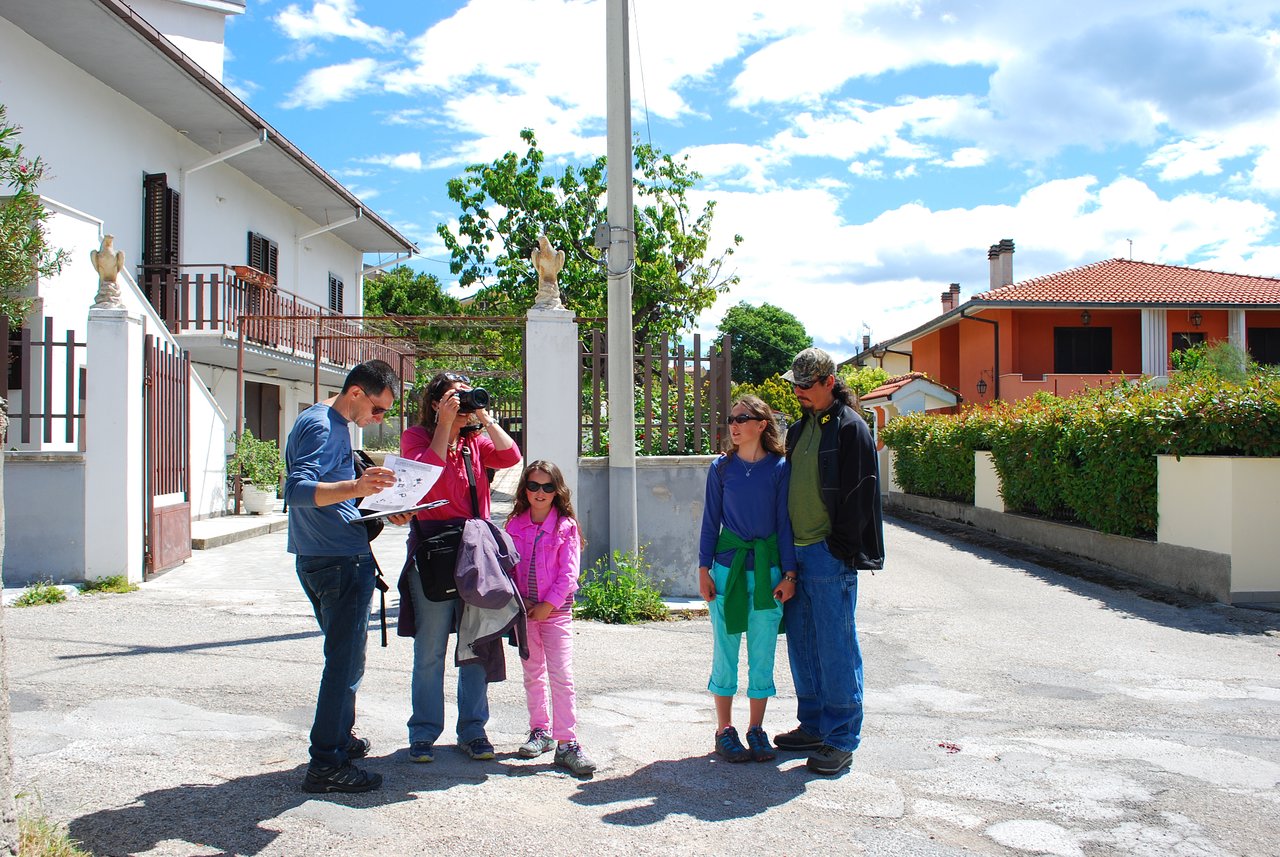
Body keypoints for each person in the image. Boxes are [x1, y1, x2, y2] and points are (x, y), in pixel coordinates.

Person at [284, 359, 412, 794]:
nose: (378, 420)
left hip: (324, 554)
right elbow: (297, 492)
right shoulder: (325, 426)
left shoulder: (322, 420)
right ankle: (326, 764)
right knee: (342, 665)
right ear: (356, 392)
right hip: (338, 559)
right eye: (378, 409)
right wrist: (358, 489)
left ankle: (338, 740)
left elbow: (330, 493)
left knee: (346, 659)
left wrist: (378, 505)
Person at [397, 371, 521, 764]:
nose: (462, 403)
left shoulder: (476, 441)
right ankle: (424, 732)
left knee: (475, 645)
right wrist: (446, 426)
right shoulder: (416, 437)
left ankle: (473, 730)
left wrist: (483, 416)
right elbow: (425, 472)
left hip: (475, 552)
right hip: (433, 548)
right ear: (435, 403)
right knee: (430, 648)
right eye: (454, 398)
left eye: (466, 397)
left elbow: (512, 456)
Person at [773, 347, 885, 776]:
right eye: (795, 385)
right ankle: (814, 725)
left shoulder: (850, 429)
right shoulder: (802, 428)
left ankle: (840, 738)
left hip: (827, 553)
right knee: (803, 644)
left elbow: (861, 496)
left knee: (836, 647)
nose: (798, 391)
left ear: (828, 383)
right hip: (796, 555)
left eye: (805, 385)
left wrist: (839, 547)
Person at [697, 395, 797, 763]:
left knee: (762, 651)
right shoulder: (720, 468)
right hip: (727, 570)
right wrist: (703, 569)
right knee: (725, 650)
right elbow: (710, 521)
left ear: (762, 424)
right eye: (731, 418)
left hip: (769, 570)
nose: (734, 425)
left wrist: (790, 574)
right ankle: (724, 729)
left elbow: (785, 524)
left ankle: (757, 729)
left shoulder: (780, 468)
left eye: (743, 418)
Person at [505, 460, 597, 775]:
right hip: (525, 613)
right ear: (525, 489)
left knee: (562, 676)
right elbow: (508, 567)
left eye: (547, 486)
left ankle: (567, 742)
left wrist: (548, 604)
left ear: (556, 490)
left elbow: (569, 574)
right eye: (533, 486)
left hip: (555, 614)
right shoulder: (515, 524)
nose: (540, 492)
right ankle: (539, 731)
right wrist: (521, 599)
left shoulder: (566, 526)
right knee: (532, 674)